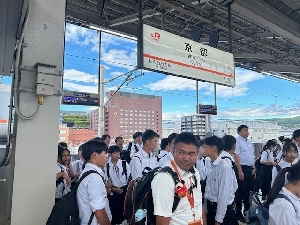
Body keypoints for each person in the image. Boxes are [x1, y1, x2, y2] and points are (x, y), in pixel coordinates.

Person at [151, 132, 203, 225]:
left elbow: (198, 205)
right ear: (173, 150)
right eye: (181, 152)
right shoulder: (164, 179)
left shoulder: (194, 172)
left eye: (191, 154)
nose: (186, 158)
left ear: (197, 154)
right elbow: (162, 221)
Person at [203, 135, 238, 225]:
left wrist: (218, 219)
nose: (203, 149)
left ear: (214, 149)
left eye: (205, 147)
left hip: (222, 210)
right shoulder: (209, 163)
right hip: (211, 208)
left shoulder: (223, 166)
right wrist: (205, 208)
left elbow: (224, 194)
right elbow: (208, 189)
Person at [77, 140, 112, 225]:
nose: (106, 156)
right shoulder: (94, 177)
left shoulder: (87, 172)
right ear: (95, 155)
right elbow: (99, 212)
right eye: (104, 153)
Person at [234, 125, 255, 222]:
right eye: (245, 130)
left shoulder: (249, 142)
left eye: (247, 130)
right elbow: (236, 155)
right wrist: (240, 171)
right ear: (239, 132)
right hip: (242, 168)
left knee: (249, 191)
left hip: (250, 168)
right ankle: (238, 213)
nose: (247, 132)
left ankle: (248, 211)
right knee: (240, 192)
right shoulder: (237, 142)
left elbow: (252, 155)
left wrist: (254, 167)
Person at [105, 145, 130, 225]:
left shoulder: (124, 163)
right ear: (110, 154)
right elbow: (107, 182)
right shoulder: (107, 166)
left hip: (125, 190)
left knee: (125, 211)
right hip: (114, 191)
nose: (117, 155)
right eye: (115, 153)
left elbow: (130, 177)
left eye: (118, 153)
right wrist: (114, 189)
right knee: (115, 212)